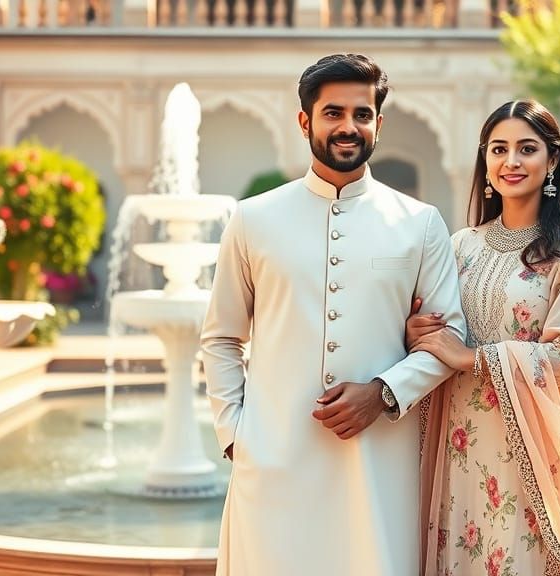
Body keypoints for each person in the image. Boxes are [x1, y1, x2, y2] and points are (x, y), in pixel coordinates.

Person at [199, 54, 466, 576]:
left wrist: (383, 392)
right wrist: (235, 435)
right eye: (333, 113)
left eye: (362, 114)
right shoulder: (253, 219)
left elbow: (450, 335)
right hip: (272, 458)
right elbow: (221, 338)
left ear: (378, 124)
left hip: (377, 459)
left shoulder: (420, 223)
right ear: (305, 122)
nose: (349, 127)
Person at [408, 100, 560, 575]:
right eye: (499, 149)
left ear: (553, 160)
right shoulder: (462, 245)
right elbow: (435, 331)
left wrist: (470, 360)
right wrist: (415, 331)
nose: (512, 161)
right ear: (485, 161)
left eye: (527, 148)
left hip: (533, 453)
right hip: (458, 450)